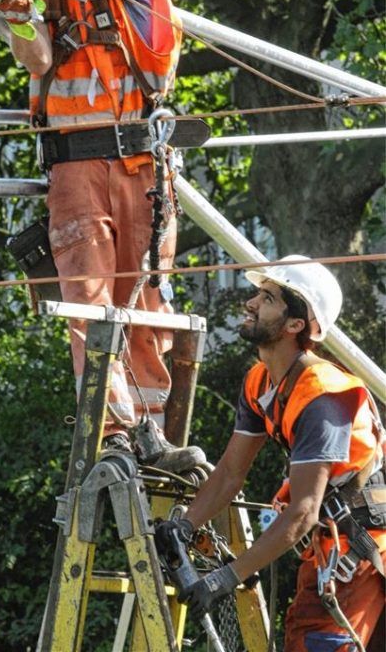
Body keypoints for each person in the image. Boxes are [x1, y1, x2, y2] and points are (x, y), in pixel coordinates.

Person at [0, 0, 206, 473]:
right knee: (89, 305)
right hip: (72, 167)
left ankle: (150, 433)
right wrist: (13, 9)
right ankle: (113, 435)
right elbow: (38, 61)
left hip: (141, 166)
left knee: (144, 299)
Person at [155, 255, 386, 651]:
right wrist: (184, 526)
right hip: (334, 549)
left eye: (268, 298)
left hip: (359, 552)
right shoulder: (261, 382)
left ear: (296, 324)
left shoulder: (323, 397)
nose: (251, 303)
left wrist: (223, 579)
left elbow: (302, 512)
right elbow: (230, 472)